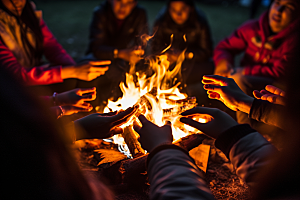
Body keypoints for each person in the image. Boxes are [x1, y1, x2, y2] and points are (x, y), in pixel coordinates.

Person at [213, 0, 299, 128]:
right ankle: (218, 114)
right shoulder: (253, 27)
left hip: (276, 85)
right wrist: (223, 62)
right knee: (217, 73)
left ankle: (246, 132)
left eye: (288, 7)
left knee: (239, 79)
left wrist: (245, 71)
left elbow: (280, 71)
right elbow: (225, 47)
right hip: (247, 77)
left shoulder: (294, 40)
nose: (279, 9)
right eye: (277, 2)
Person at [0, 0, 110, 92]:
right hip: (14, 90)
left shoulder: (29, 13)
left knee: (78, 80)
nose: (17, 2)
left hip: (37, 74)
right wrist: (72, 71)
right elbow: (16, 75)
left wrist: (76, 69)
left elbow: (52, 47)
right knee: (69, 82)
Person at [80, 0, 149, 108]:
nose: (123, 6)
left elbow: (142, 40)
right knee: (91, 68)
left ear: (134, 3)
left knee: (145, 69)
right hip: (102, 57)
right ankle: (94, 107)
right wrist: (120, 53)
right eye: (119, 1)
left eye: (128, 2)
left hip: (124, 58)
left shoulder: (139, 14)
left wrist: (137, 52)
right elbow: (96, 47)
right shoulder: (101, 13)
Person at [150, 0, 213, 106]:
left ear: (191, 8)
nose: (178, 14)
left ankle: (180, 96)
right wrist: (165, 55)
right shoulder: (162, 21)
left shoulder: (199, 22)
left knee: (208, 67)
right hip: (168, 63)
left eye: (183, 9)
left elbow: (206, 52)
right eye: (174, 10)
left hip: (192, 63)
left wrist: (184, 55)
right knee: (151, 67)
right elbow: (154, 48)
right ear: (168, 9)